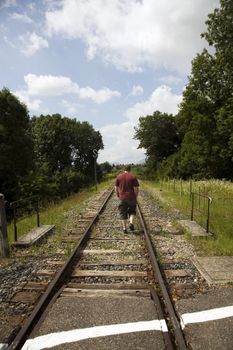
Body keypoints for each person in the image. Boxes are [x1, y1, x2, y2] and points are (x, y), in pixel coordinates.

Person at [115, 164, 139, 233]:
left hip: (122, 198)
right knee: (132, 211)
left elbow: (116, 187)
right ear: (130, 169)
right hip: (131, 197)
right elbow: (136, 188)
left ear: (124, 169)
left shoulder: (119, 177)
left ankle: (124, 228)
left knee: (123, 213)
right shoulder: (133, 177)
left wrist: (118, 195)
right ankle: (131, 223)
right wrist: (135, 196)